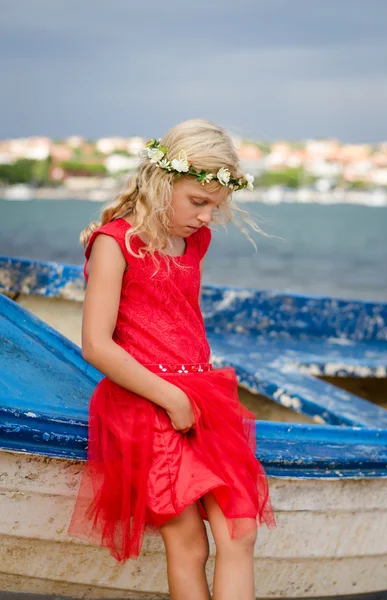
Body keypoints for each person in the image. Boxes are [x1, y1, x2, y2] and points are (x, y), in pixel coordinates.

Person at [68, 118, 277, 600]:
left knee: (240, 533)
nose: (206, 217)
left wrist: (190, 395)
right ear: (163, 183)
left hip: (202, 399)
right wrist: (171, 398)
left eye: (215, 206)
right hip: (147, 404)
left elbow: (178, 317)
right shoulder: (114, 243)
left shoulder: (192, 242)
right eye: (198, 202)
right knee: (187, 545)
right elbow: (97, 345)